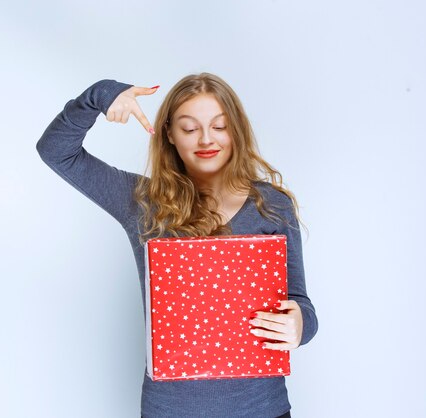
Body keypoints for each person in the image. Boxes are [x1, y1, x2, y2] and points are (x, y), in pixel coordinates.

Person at [36, 73, 318, 418]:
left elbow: (301, 304)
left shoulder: (272, 205)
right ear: (169, 134)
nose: (205, 139)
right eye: (188, 129)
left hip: (263, 408)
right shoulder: (143, 202)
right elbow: (56, 152)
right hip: (171, 411)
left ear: (237, 131)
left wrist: (300, 325)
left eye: (219, 126)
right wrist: (99, 95)